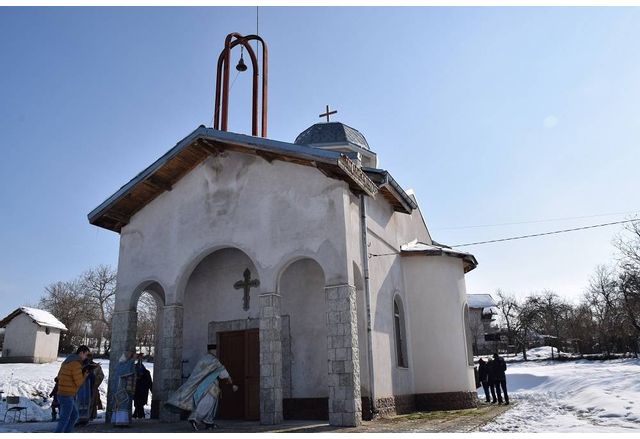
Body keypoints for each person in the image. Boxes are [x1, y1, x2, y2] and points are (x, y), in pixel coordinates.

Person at [165, 344, 238, 431]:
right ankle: (194, 419)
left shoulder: (203, 359)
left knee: (210, 404)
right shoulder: (214, 361)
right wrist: (231, 382)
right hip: (210, 386)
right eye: (216, 351)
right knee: (208, 403)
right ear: (214, 351)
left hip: (202, 385)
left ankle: (209, 422)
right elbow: (223, 373)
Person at [54, 345, 90, 433]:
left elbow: (58, 377)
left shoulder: (66, 361)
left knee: (74, 416)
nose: (86, 357)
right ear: (81, 353)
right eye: (86, 355)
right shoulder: (76, 364)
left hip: (63, 393)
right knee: (65, 418)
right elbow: (79, 382)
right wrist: (85, 375)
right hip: (67, 394)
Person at [111, 349, 136, 427]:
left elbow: (132, 370)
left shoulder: (125, 364)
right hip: (120, 388)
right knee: (121, 405)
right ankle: (120, 422)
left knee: (123, 405)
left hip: (123, 387)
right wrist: (132, 360)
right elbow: (127, 371)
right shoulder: (121, 365)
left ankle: (121, 422)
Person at [76, 354, 99, 425]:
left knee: (86, 402)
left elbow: (96, 377)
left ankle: (85, 419)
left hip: (88, 384)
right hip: (81, 384)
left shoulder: (91, 365)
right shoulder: (77, 364)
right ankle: (78, 418)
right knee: (80, 402)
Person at [133, 354, 153, 419]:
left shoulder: (146, 373)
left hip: (142, 389)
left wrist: (152, 389)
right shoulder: (135, 369)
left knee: (140, 403)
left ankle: (138, 414)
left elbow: (149, 382)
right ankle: (139, 414)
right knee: (138, 403)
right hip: (138, 389)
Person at [90, 356, 105, 420]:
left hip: (93, 387)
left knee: (93, 402)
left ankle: (91, 416)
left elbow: (101, 376)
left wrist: (95, 383)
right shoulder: (80, 364)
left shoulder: (96, 366)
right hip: (82, 387)